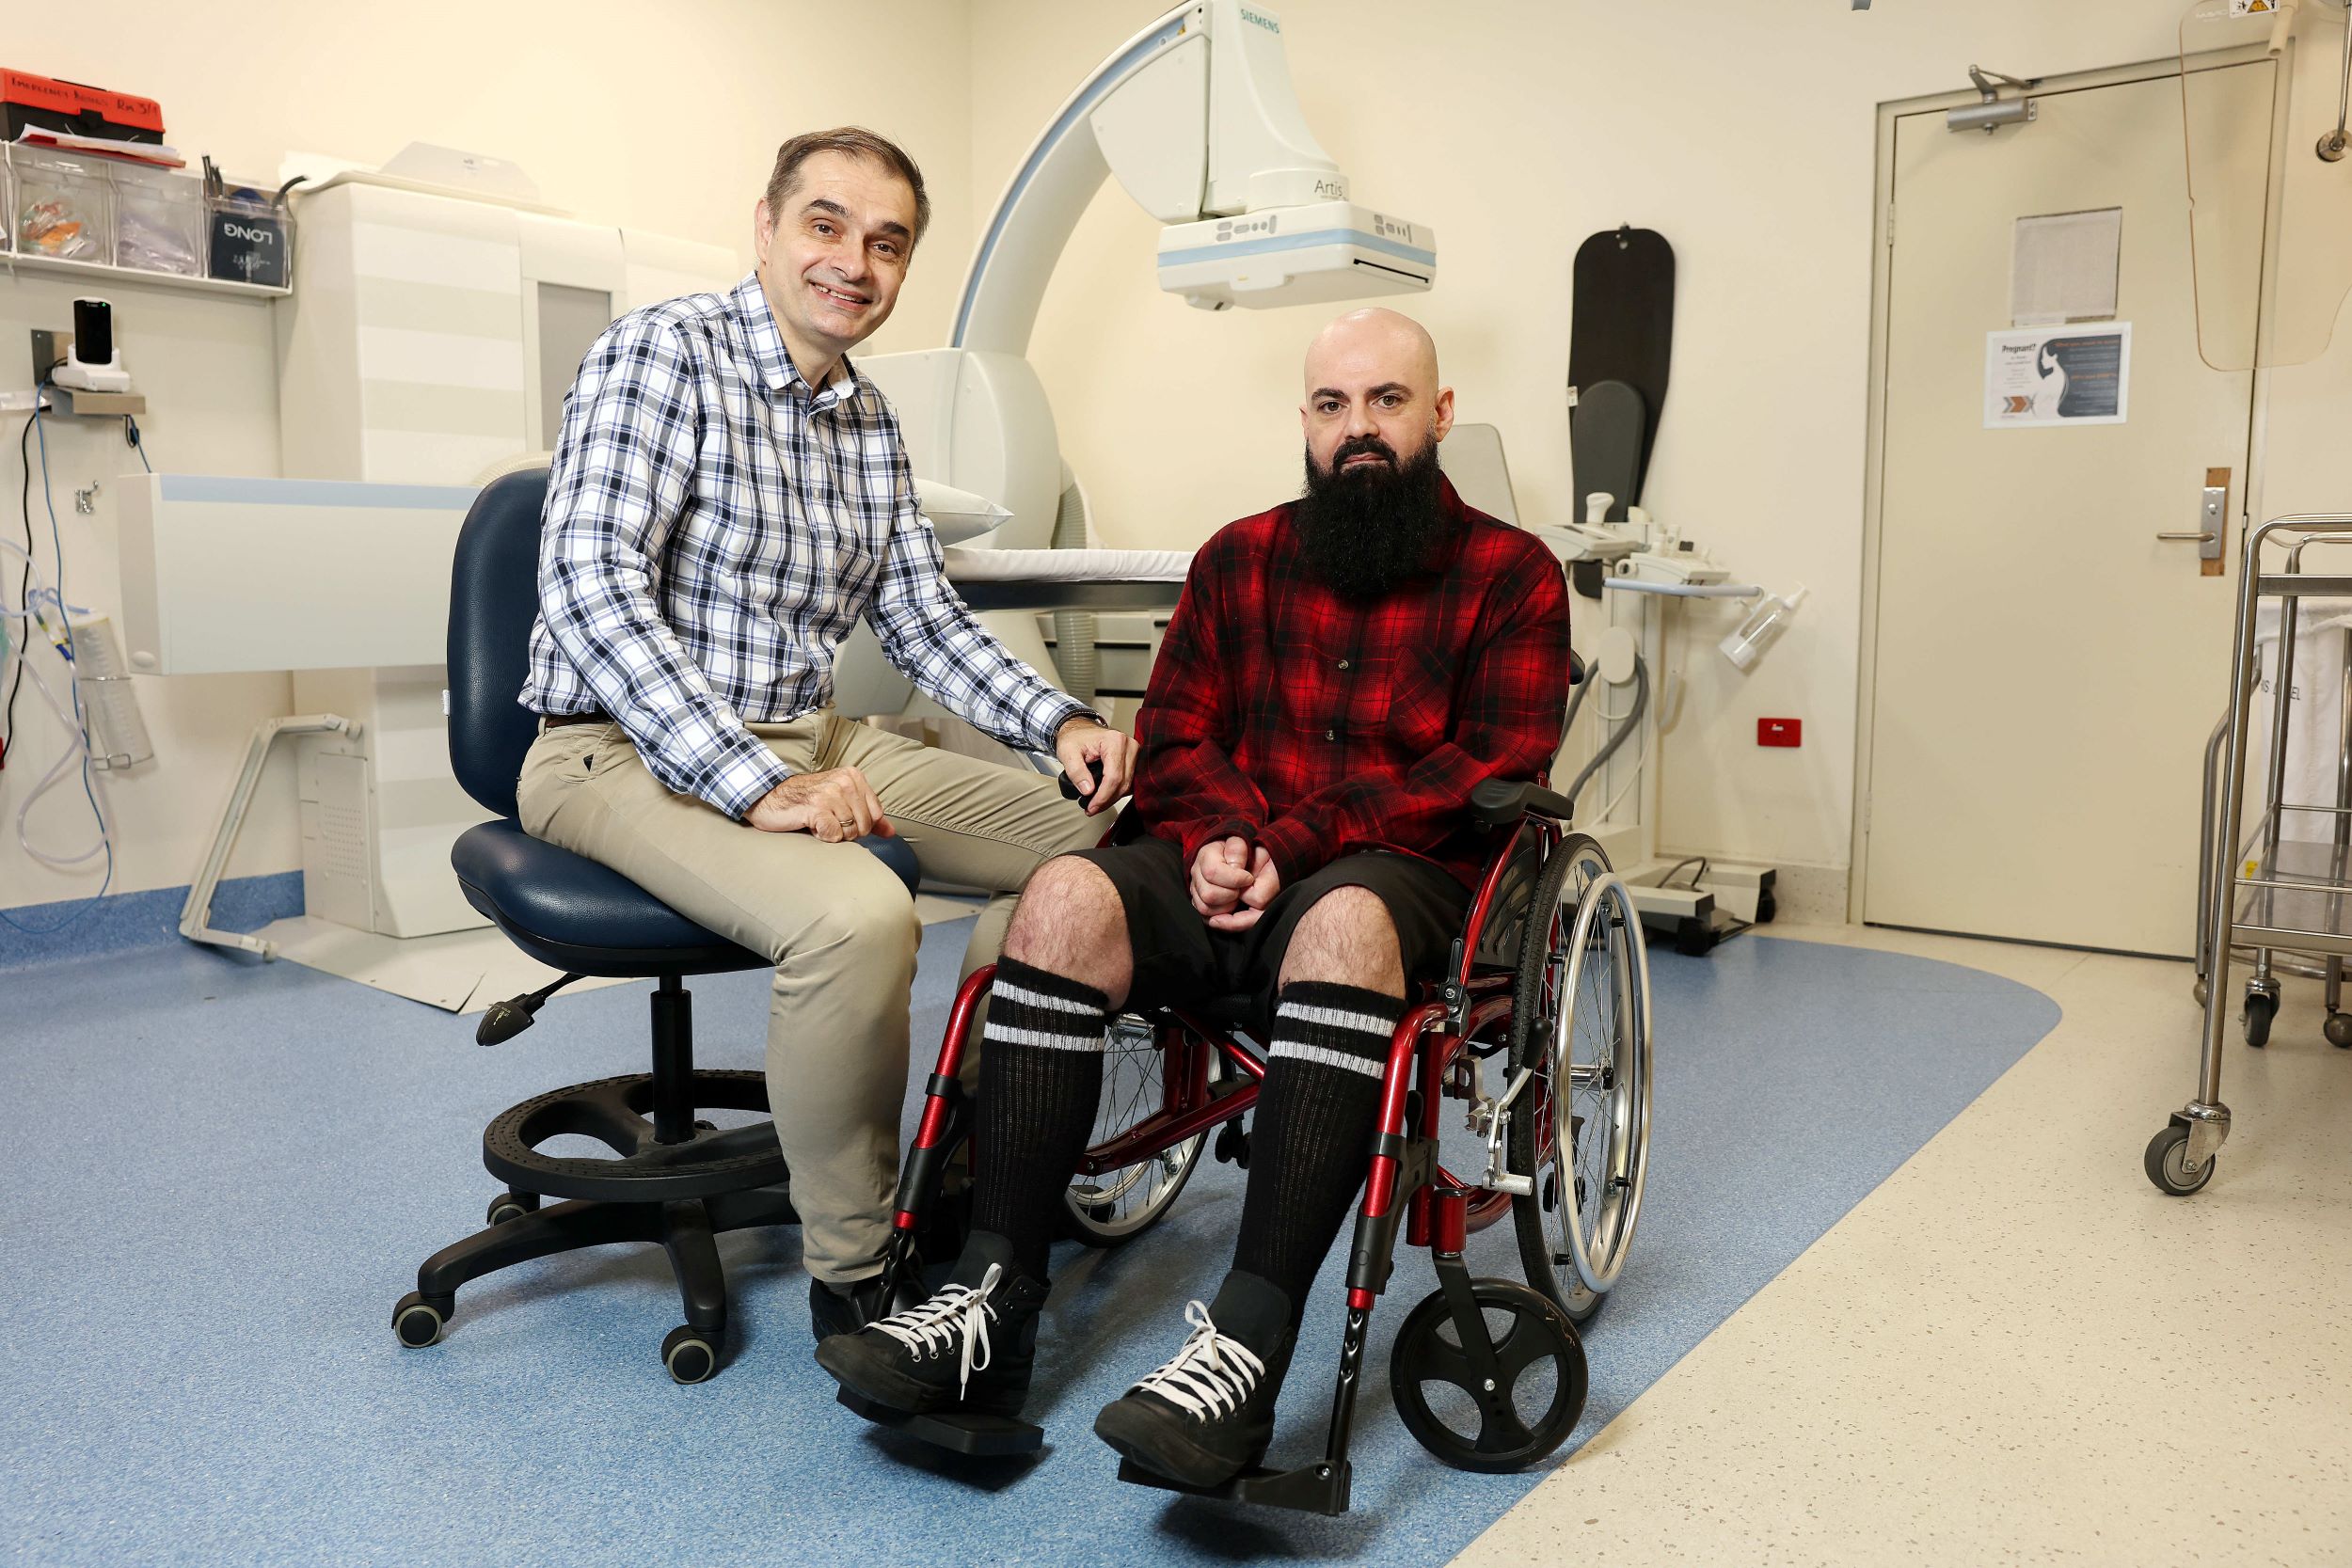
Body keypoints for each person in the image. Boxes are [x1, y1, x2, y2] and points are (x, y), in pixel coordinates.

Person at [818, 308, 1573, 1486]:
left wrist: (1290, 838)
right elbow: (1174, 728)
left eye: (1384, 401)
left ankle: (1243, 1350)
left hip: (1395, 876)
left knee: (1340, 917)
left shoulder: (1508, 574)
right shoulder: (1240, 557)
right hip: (1226, 857)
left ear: (1440, 413)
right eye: (1331, 406)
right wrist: (1224, 831)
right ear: (1306, 422)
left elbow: (1488, 763)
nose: (1357, 429)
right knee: (1060, 893)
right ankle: (986, 1300)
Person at [516, 126, 1136, 1341]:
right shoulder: (662, 354)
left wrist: (1055, 716)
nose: (854, 260)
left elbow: (920, 617)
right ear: (768, 224)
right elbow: (591, 584)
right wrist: (750, 781)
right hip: (618, 745)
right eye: (827, 224)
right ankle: (856, 1272)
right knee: (857, 915)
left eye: (886, 241)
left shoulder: (870, 422)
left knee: (1100, 845)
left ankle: (968, 1167)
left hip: (818, 731)